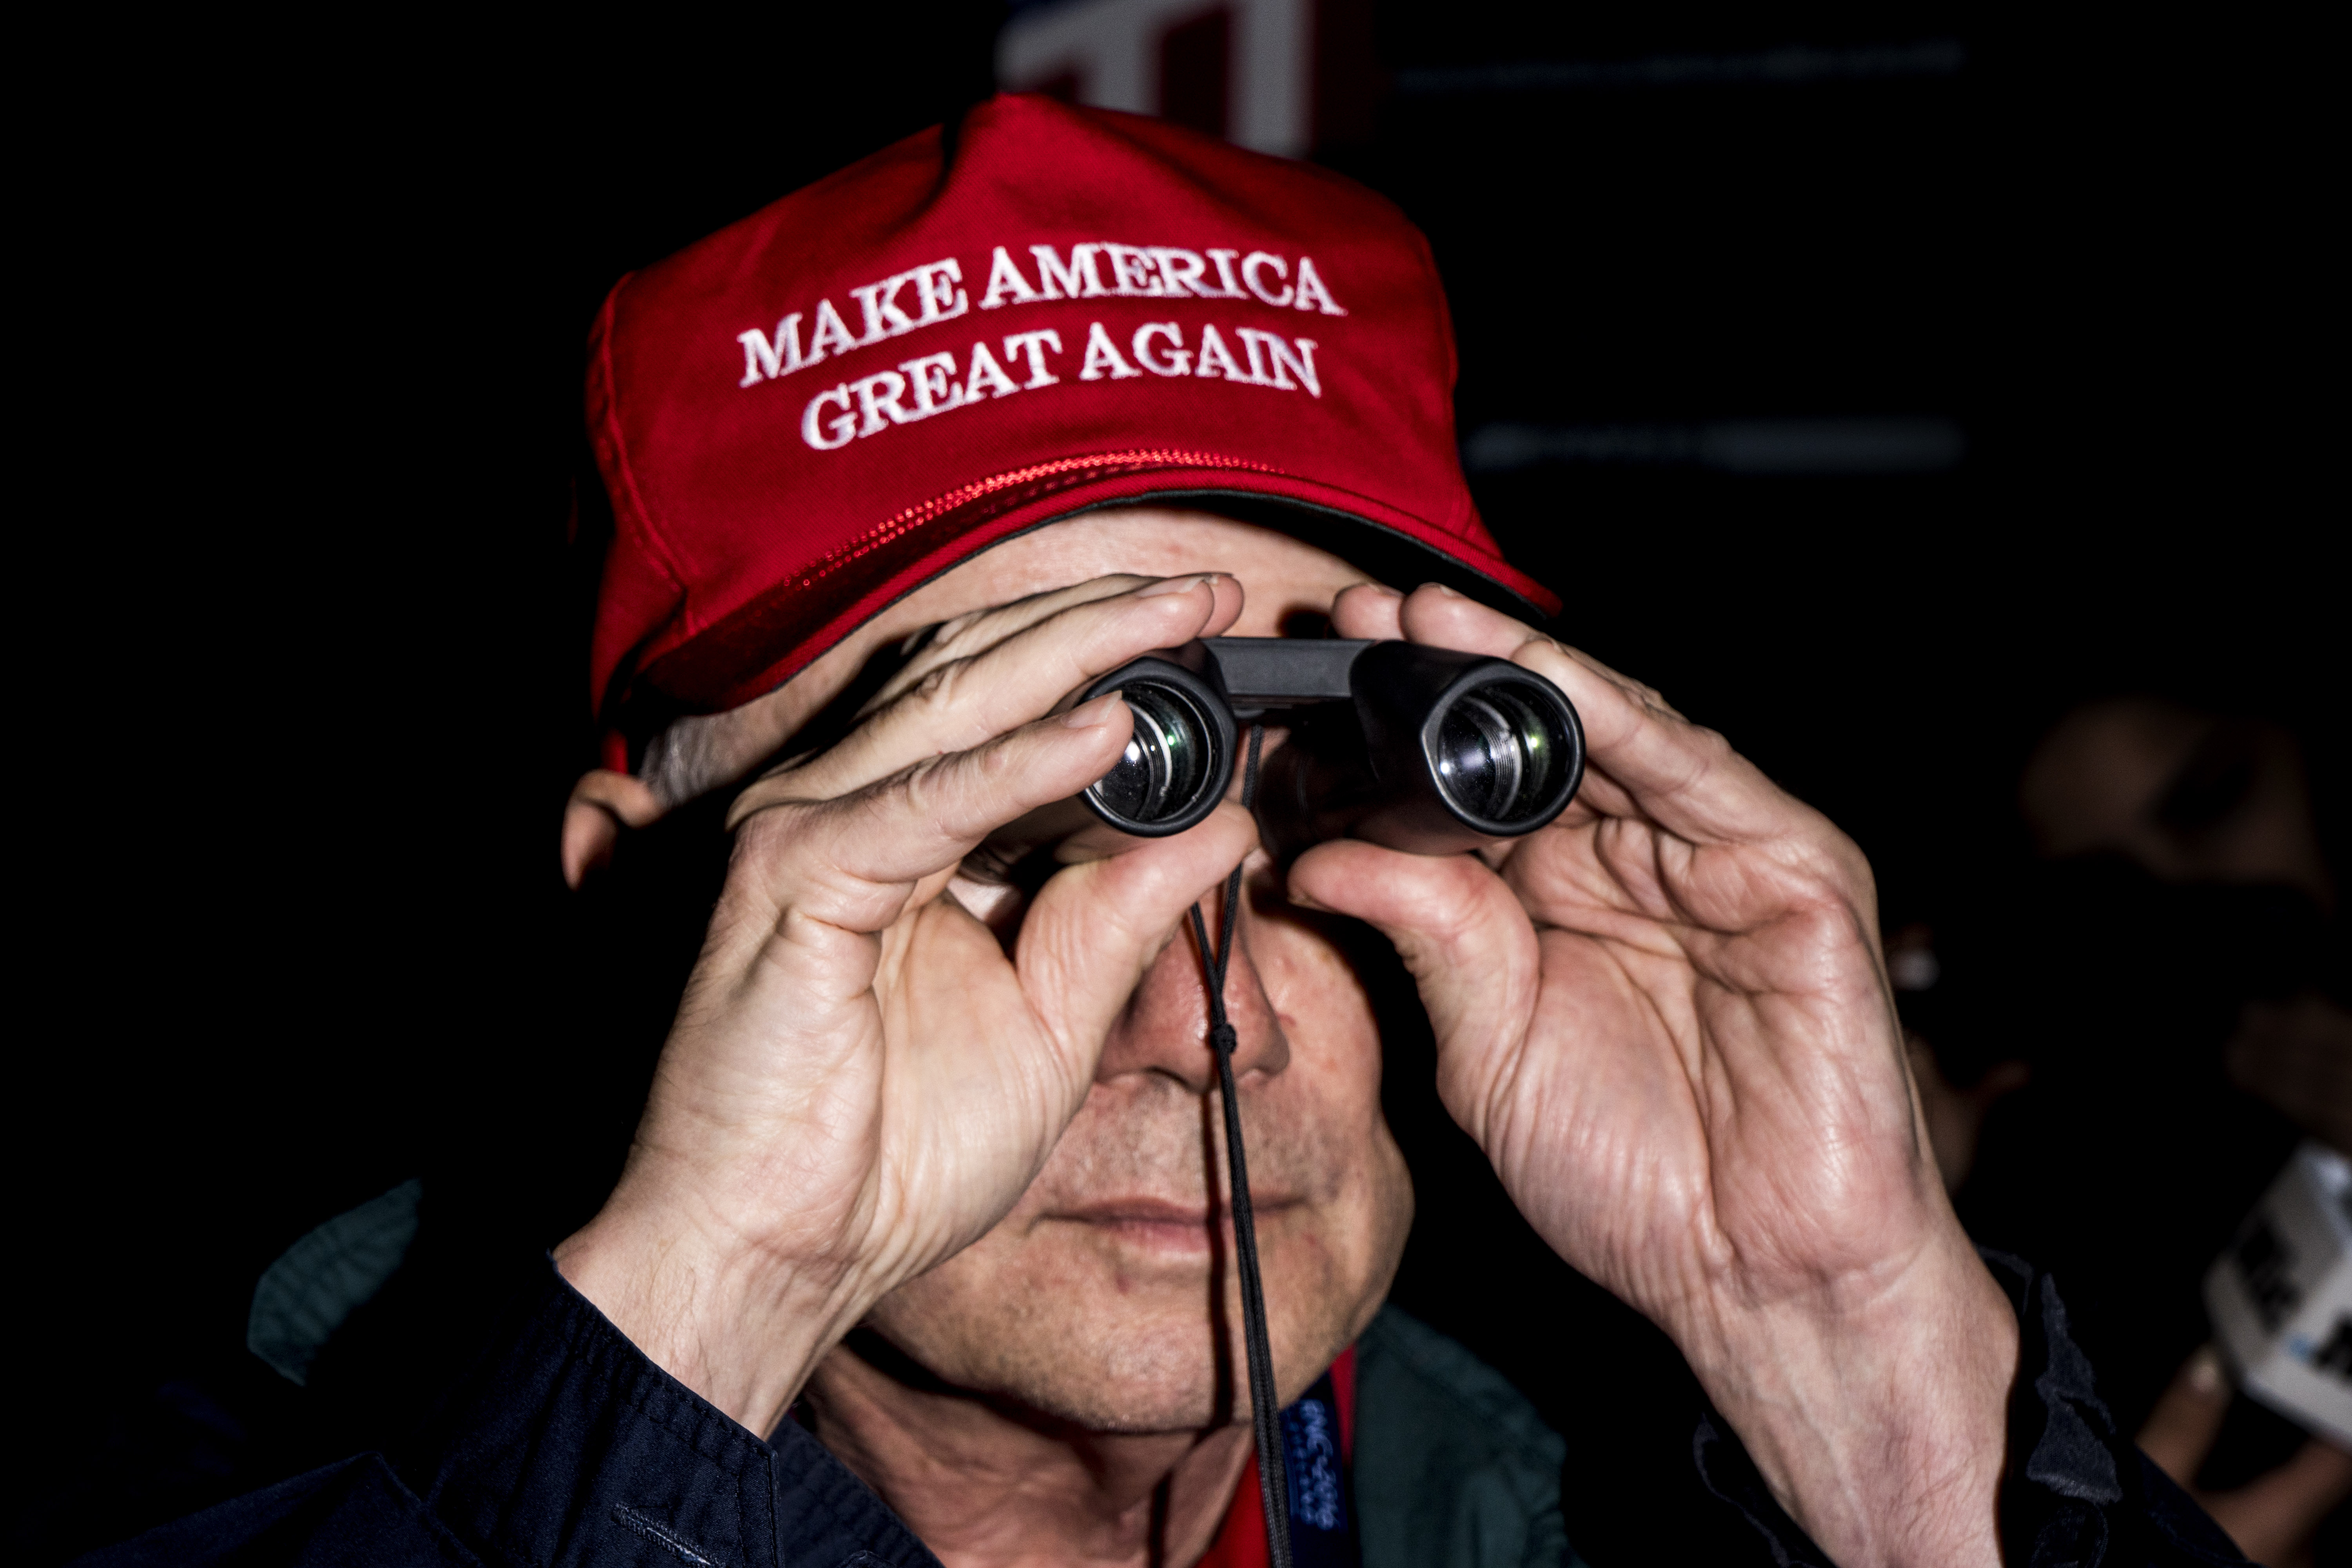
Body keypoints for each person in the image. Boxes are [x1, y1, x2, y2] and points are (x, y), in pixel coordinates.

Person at [92, 96, 2242, 1567]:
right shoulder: (225, 1476)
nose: (1199, 1016)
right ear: (630, 903)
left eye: (1314, 795)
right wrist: (694, 1313)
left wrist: (1855, 1362)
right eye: (1025, 808)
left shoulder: (1610, 1510)